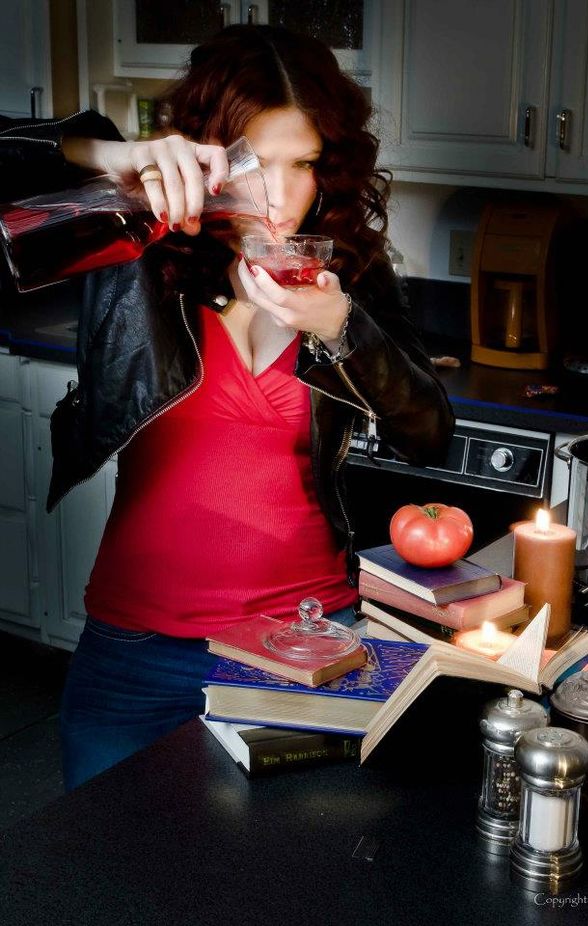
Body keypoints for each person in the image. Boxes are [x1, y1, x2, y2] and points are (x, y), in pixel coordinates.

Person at [0, 25, 454, 790]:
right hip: (136, 648)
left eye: (302, 164)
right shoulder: (138, 247)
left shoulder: (352, 286)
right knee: (98, 882)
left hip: (308, 644)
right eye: (253, 163)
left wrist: (343, 332)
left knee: (288, 887)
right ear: (208, 159)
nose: (279, 196)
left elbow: (430, 436)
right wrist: (106, 156)